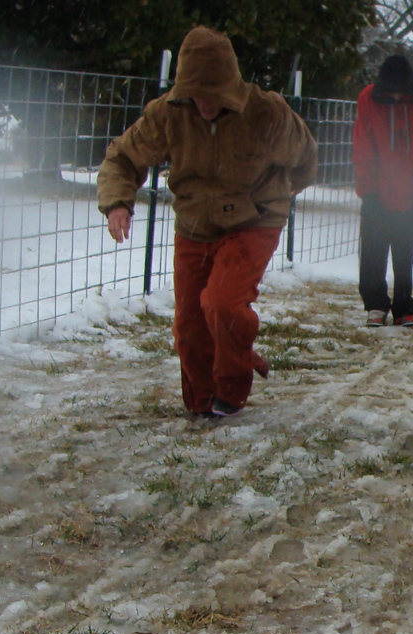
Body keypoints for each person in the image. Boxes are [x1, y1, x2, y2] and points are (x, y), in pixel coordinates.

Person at [97, 26, 318, 418]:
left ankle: (231, 392)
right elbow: (123, 157)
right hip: (195, 223)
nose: (204, 105)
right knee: (189, 324)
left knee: (222, 302)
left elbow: (305, 157)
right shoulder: (168, 113)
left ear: (229, 88)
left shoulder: (266, 112)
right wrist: (118, 202)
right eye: (196, 96)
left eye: (213, 96)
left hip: (255, 218)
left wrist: (281, 195)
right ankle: (201, 400)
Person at [352, 54, 413, 328]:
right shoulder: (368, 98)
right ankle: (376, 305)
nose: (396, 98)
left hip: (409, 190)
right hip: (375, 190)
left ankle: (404, 306)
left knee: (404, 253)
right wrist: (368, 187)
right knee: (373, 251)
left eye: (402, 94)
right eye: (391, 93)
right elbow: (362, 144)